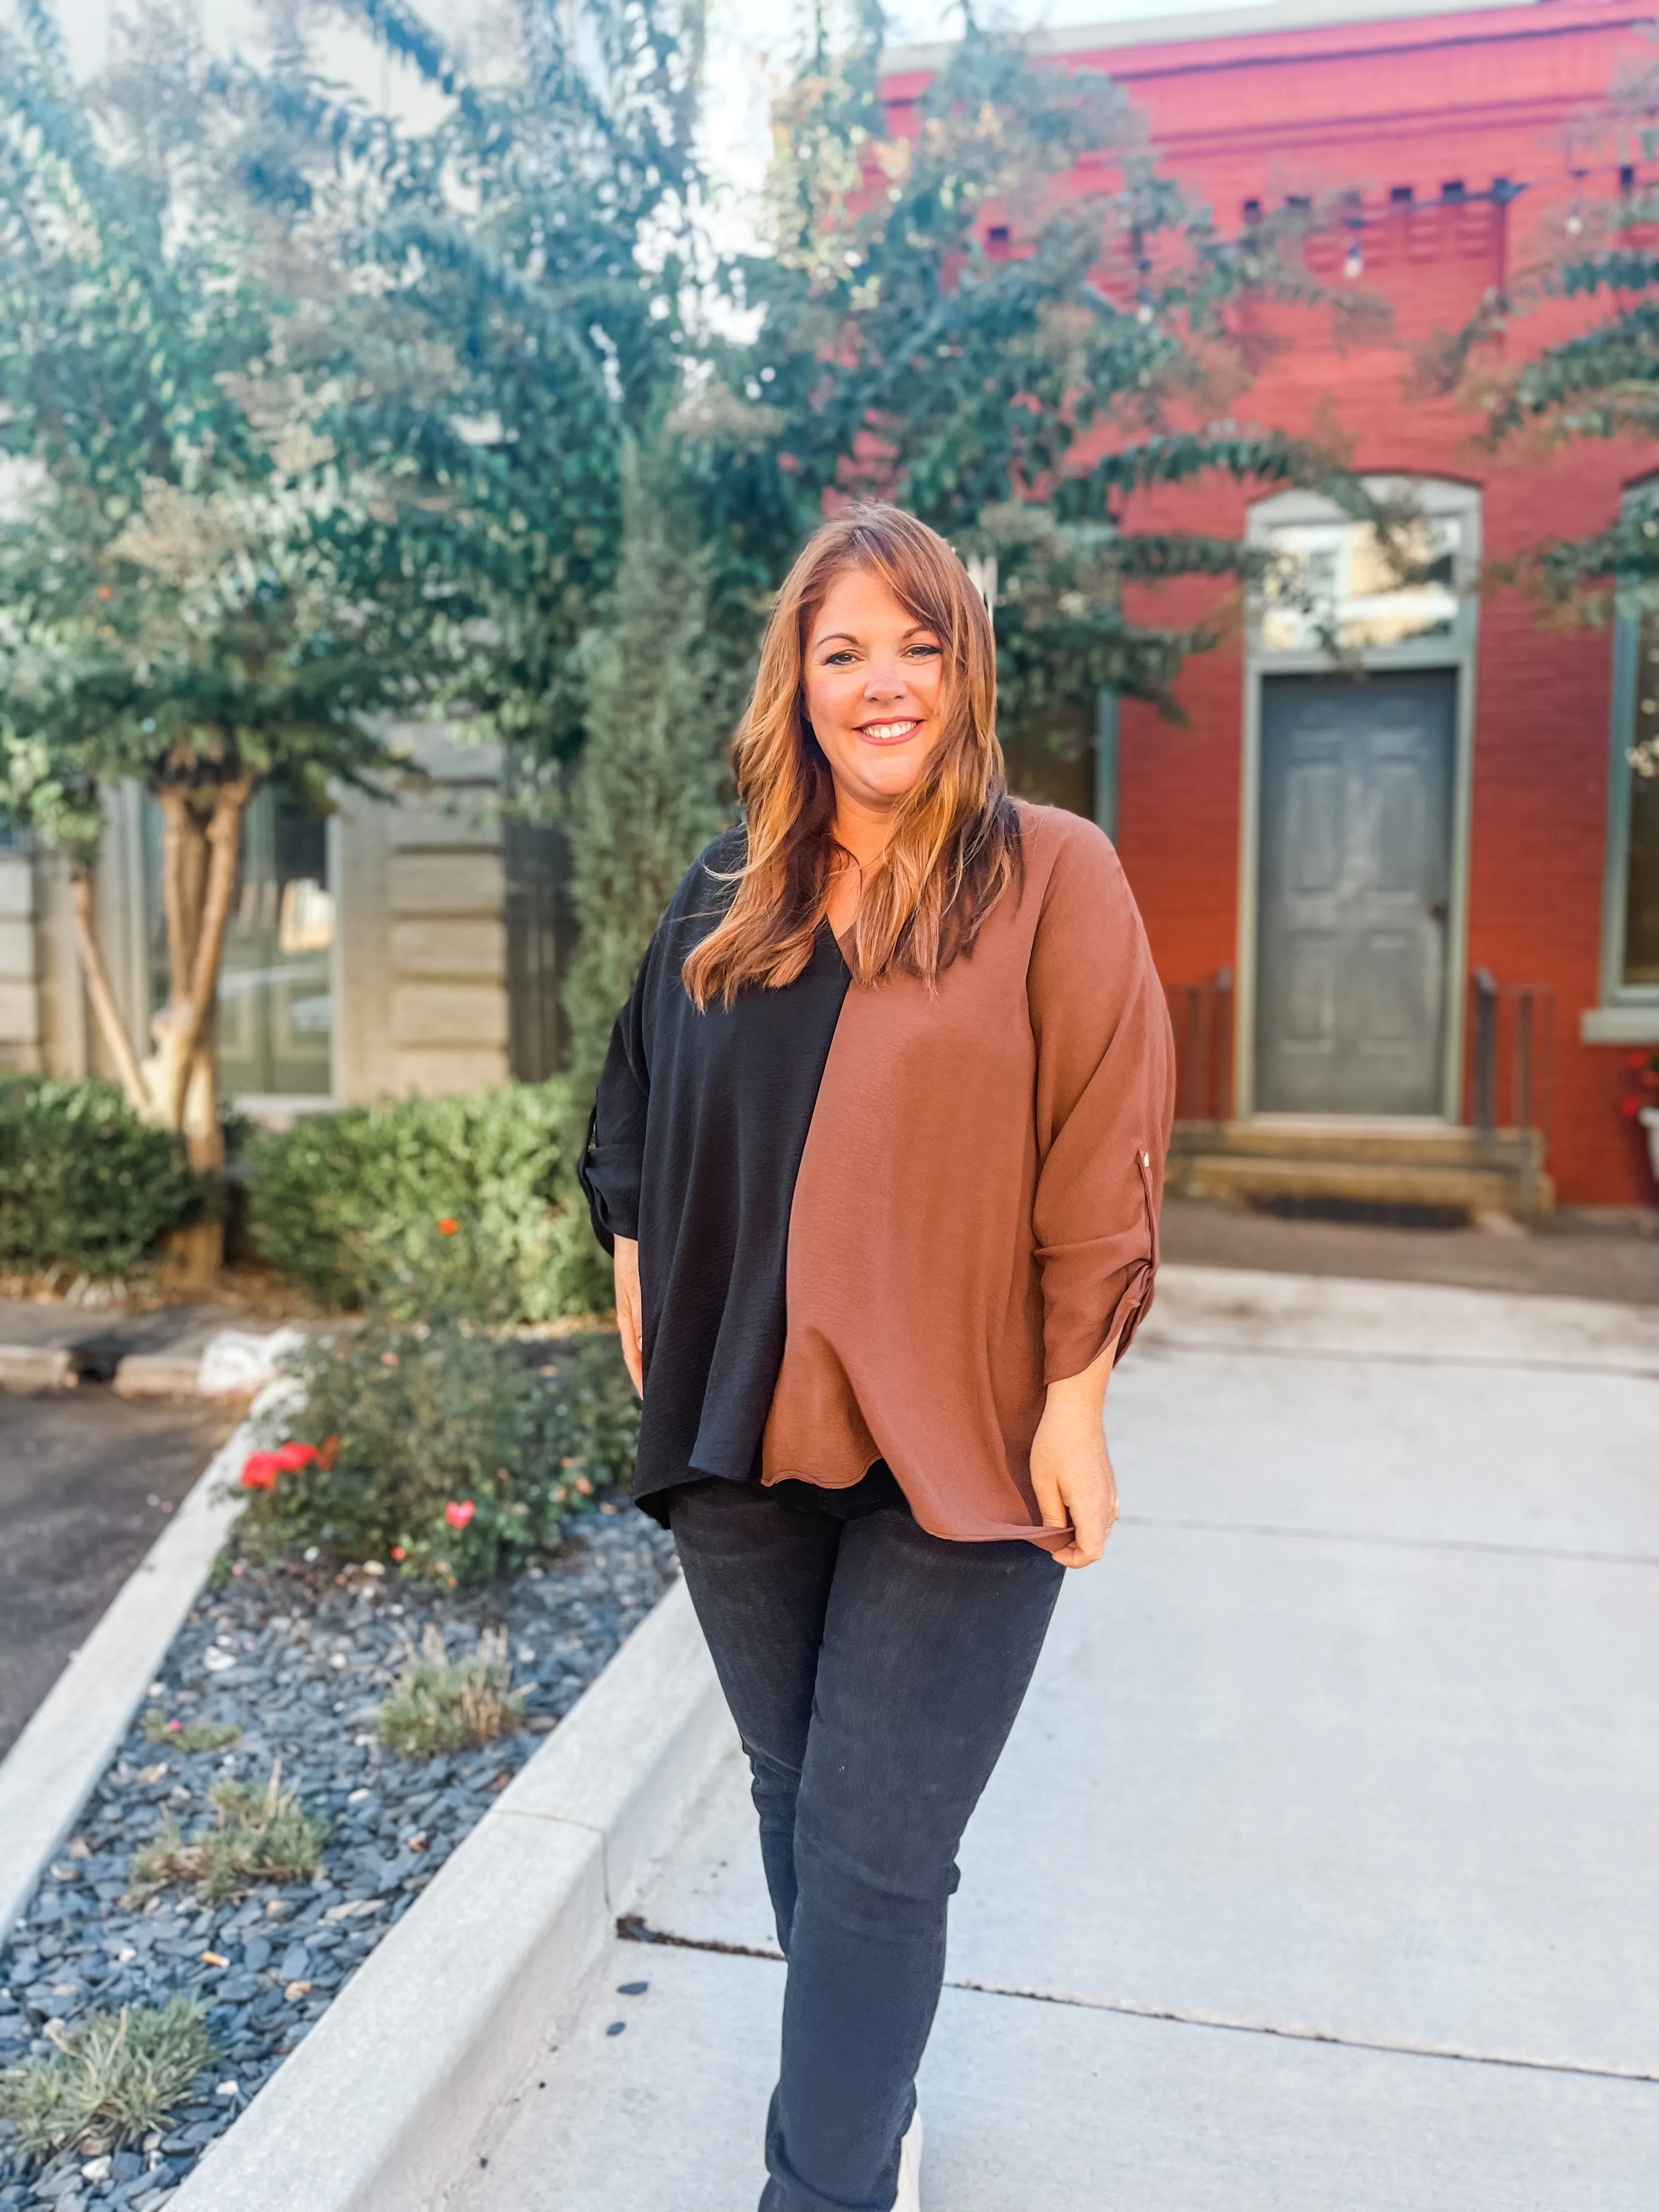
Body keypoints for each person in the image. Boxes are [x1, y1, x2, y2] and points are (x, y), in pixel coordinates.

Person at [580, 503, 1174, 2212]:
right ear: (801, 681)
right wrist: (638, 1253)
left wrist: (1080, 1397)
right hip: (746, 1444)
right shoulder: (731, 887)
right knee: (801, 1813)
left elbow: (1104, 1143)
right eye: (846, 651)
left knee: (875, 1857)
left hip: (968, 1444)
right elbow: (629, 1094)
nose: (884, 683)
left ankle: (822, 2183)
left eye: (917, 644)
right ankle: (872, 2104)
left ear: (965, 666)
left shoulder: (1051, 869)